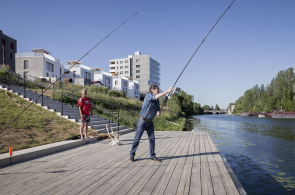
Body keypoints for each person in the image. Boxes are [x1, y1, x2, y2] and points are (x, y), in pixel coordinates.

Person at [130, 84, 174, 162]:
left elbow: (157, 108)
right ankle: (132, 154)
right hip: (142, 121)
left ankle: (152, 156)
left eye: (159, 89)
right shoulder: (148, 95)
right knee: (137, 139)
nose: (159, 90)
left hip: (150, 122)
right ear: (152, 90)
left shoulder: (157, 101)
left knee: (152, 139)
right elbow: (156, 97)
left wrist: (158, 112)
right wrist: (167, 91)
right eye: (157, 89)